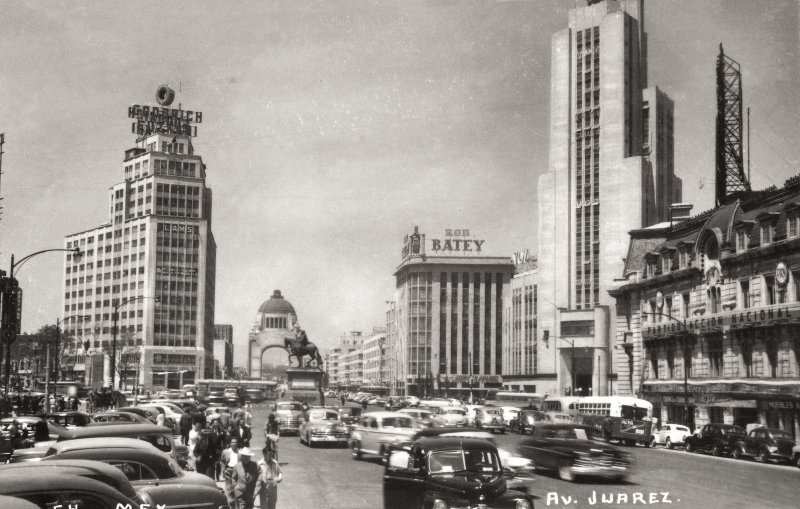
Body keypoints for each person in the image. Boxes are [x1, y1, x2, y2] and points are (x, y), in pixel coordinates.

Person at [220, 437, 240, 508]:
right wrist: (223, 469)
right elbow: (222, 461)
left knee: (236, 487)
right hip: (228, 470)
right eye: (233, 442)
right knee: (229, 487)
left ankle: (236, 503)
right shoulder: (225, 452)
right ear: (230, 444)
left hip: (237, 471)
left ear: (237, 444)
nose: (234, 444)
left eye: (236, 442)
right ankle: (230, 504)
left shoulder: (240, 452)